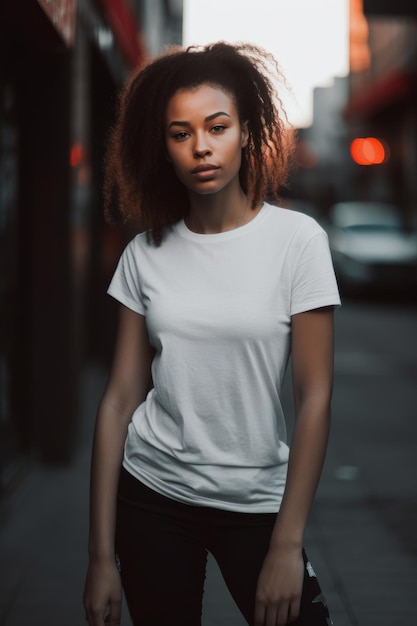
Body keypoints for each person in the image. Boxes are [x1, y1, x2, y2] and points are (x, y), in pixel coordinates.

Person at [83, 41, 340, 626]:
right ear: (165, 148)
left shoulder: (298, 243)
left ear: (246, 133)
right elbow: (119, 400)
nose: (201, 146)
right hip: (152, 494)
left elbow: (316, 397)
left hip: (256, 503)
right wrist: (100, 557)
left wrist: (286, 542)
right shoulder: (144, 255)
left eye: (217, 126)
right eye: (180, 133)